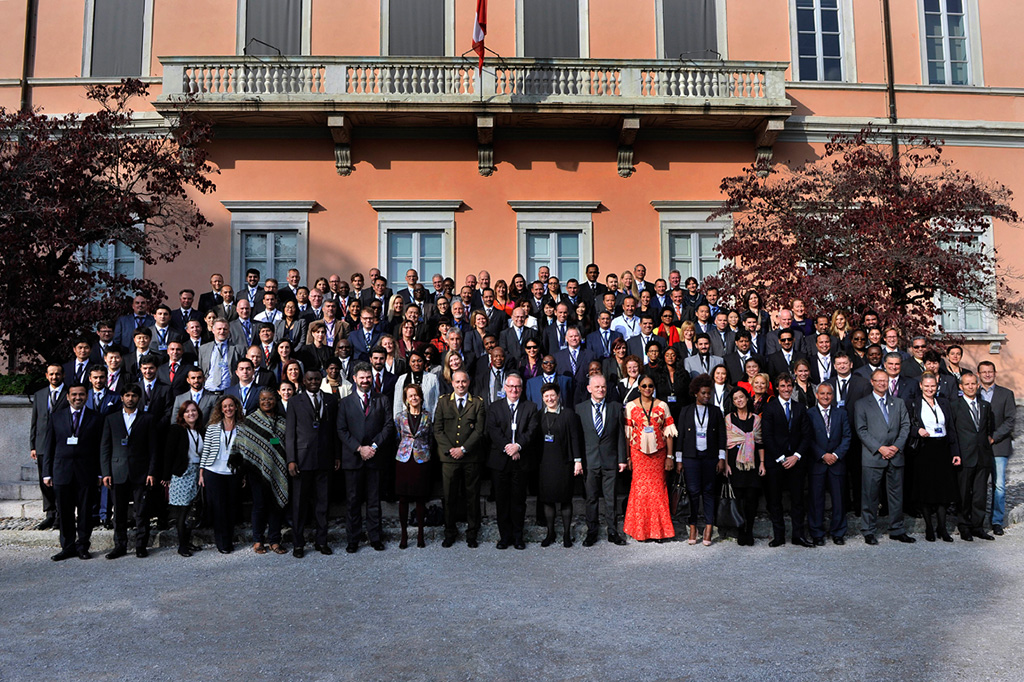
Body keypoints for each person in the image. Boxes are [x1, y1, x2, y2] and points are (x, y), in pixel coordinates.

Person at [337, 363, 396, 553]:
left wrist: (373, 447)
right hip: (353, 459)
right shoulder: (345, 402)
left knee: (374, 500)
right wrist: (359, 448)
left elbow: (388, 425)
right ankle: (353, 539)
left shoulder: (382, 399)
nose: (365, 381)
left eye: (368, 377)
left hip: (375, 457)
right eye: (361, 377)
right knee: (353, 501)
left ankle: (375, 537)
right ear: (354, 379)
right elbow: (341, 430)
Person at [43, 384, 103, 561]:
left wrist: (100, 473)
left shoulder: (96, 418)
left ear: (87, 396)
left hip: (86, 472)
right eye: (74, 394)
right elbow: (49, 446)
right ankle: (67, 546)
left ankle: (83, 546)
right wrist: (47, 472)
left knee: (85, 512)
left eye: (81, 394)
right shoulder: (56, 417)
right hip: (62, 471)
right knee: (64, 512)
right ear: (68, 396)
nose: (78, 398)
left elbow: (101, 447)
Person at [854, 369, 912, 545]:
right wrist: (880, 448)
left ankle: (897, 529)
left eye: (885, 381)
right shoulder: (862, 404)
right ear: (872, 382)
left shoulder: (898, 402)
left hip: (895, 455)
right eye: (878, 380)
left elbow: (906, 426)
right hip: (873, 456)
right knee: (870, 496)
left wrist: (895, 446)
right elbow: (861, 430)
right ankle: (869, 530)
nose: (882, 383)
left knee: (896, 496)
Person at [99, 384, 158, 559]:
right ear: (121, 397)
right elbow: (105, 448)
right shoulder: (111, 419)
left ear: (139, 398)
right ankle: (120, 545)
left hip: (140, 471)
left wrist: (151, 472)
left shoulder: (147, 418)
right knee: (119, 512)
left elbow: (153, 448)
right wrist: (106, 472)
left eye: (133, 395)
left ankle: (141, 545)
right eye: (127, 395)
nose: (130, 399)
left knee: (141, 511)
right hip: (118, 471)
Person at [286, 369, 340, 558]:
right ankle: (298, 544)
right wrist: (291, 459)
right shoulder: (295, 401)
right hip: (302, 459)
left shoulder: (330, 400)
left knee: (323, 503)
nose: (314, 382)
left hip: (325, 458)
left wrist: (337, 455)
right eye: (310, 379)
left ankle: (322, 541)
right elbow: (290, 433)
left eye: (317, 379)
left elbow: (334, 430)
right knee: (299, 504)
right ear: (304, 381)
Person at [230, 388, 289, 555]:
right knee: (259, 505)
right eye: (263, 399)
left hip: (277, 470)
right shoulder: (249, 421)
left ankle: (275, 540)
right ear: (259, 401)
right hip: (256, 471)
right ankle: (258, 540)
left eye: (270, 399)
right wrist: (242, 470)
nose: (266, 402)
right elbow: (241, 444)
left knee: (276, 504)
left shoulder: (283, 421)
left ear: (276, 400)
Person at [434, 370, 487, 547]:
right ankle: (450, 532)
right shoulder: (443, 402)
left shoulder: (477, 403)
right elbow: (438, 429)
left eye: (464, 381)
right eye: (457, 382)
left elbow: (479, 430)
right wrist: (451, 450)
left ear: (469, 382)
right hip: (449, 458)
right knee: (449, 497)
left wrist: (463, 449)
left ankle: (472, 533)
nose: (461, 385)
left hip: (471, 457)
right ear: (452, 383)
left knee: (472, 496)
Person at [486, 373, 538, 550]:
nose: (514, 390)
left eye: (517, 387)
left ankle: (518, 537)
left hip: (521, 460)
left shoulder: (530, 407)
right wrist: (508, 448)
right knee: (502, 501)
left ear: (521, 389)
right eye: (510, 386)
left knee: (518, 501)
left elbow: (532, 430)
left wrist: (518, 446)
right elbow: (493, 430)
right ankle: (504, 537)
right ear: (505, 388)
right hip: (500, 461)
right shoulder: (495, 407)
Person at [761, 373, 814, 548]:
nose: (786, 389)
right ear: (777, 387)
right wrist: (782, 458)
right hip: (776, 461)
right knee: (775, 501)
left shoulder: (800, 408)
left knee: (798, 500)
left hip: (796, 461)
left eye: (789, 385)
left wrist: (796, 456)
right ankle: (779, 536)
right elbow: (767, 436)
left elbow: (806, 435)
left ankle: (798, 535)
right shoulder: (769, 408)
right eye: (783, 386)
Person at [575, 374, 628, 546]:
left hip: (610, 461)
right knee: (591, 498)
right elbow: (578, 438)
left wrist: (622, 459)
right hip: (589, 462)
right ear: (589, 389)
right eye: (597, 387)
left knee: (610, 498)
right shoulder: (580, 409)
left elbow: (620, 435)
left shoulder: (615, 407)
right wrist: (578, 460)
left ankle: (612, 531)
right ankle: (592, 532)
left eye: (603, 386)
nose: (601, 389)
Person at [623, 375, 676, 543]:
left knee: (658, 491)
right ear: (639, 387)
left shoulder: (662, 405)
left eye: (650, 386)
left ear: (654, 388)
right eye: (644, 386)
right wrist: (628, 457)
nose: (647, 389)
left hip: (658, 454)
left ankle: (659, 532)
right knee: (640, 491)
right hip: (638, 454)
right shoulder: (630, 406)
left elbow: (669, 432)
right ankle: (641, 532)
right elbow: (627, 434)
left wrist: (670, 456)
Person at [908, 372, 958, 542]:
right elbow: (905, 425)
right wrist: (917, 430)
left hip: (942, 449)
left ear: (937, 386)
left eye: (933, 386)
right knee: (926, 490)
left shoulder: (943, 402)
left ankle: (942, 527)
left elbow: (951, 428)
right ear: (921, 386)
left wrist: (955, 452)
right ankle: (929, 527)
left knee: (943, 491)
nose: (930, 389)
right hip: (924, 449)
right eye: (927, 386)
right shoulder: (914, 403)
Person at [676, 374, 725, 546]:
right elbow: (681, 436)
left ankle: (709, 527)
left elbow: (721, 435)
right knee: (693, 491)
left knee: (709, 491)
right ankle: (693, 526)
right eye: (703, 393)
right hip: (691, 456)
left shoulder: (716, 411)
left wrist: (721, 458)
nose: (706, 396)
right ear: (696, 393)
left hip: (710, 456)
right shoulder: (686, 410)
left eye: (709, 393)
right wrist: (679, 459)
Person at [948, 372, 995, 541]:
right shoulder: (954, 406)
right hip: (964, 456)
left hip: (982, 456)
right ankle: (964, 526)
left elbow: (988, 428)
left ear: (978, 385)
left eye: (973, 383)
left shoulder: (985, 406)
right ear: (961, 387)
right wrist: (956, 453)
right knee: (963, 494)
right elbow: (952, 432)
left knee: (980, 494)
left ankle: (978, 526)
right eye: (967, 384)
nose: (970, 387)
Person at [537, 383, 583, 547]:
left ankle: (566, 534)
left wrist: (578, 460)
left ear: (558, 396)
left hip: (564, 462)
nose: (549, 399)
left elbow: (575, 438)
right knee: (547, 499)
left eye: (552, 395)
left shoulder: (568, 414)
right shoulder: (539, 415)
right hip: (545, 463)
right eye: (546, 396)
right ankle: (550, 533)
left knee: (565, 499)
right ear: (543, 398)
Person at [806, 383, 851, 545]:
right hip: (817, 463)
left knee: (839, 500)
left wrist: (836, 455)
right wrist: (822, 455)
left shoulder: (841, 413)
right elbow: (807, 438)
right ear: (816, 395)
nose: (825, 397)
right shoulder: (809, 414)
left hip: (837, 463)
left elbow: (847, 437)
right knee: (816, 499)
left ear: (833, 396)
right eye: (822, 393)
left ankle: (838, 532)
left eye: (829, 394)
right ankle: (817, 533)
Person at [199, 395, 243, 554]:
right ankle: (221, 542)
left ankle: (228, 539)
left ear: (236, 407)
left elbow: (245, 452)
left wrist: (243, 473)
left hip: (233, 472)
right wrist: (201, 472)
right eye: (225, 406)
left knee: (231, 507)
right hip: (213, 471)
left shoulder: (243, 427)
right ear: (221, 409)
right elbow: (206, 450)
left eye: (231, 405)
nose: (228, 409)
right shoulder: (213, 427)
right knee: (218, 508)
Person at [978, 361, 1015, 535]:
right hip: (978, 447)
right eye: (984, 372)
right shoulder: (973, 392)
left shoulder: (1006, 394)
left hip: (999, 446)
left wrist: (994, 437)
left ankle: (997, 521)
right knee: (978, 484)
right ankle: (976, 520)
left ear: (995, 373)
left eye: (990, 371)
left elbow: (1010, 420)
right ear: (978, 374)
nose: (987, 374)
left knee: (999, 485)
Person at [723, 387, 764, 545]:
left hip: (752, 463)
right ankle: (741, 531)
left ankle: (749, 531)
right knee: (738, 498)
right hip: (734, 464)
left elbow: (760, 443)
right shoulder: (728, 419)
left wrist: (762, 463)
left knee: (751, 498)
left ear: (747, 398)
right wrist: (726, 464)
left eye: (741, 397)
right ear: (733, 402)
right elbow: (726, 444)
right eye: (735, 399)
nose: (739, 400)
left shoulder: (756, 419)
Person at [163, 401, 204, 557]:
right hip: (182, 473)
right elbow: (168, 453)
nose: (191, 414)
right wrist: (166, 476)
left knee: (193, 509)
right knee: (183, 511)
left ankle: (187, 541)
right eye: (187, 411)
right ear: (182, 415)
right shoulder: (176, 430)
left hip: (197, 473)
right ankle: (182, 546)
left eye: (193, 411)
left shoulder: (201, 431)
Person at [395, 384, 433, 549]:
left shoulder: (428, 417)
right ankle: (403, 535)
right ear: (406, 399)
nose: (414, 398)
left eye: (416, 395)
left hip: (421, 460)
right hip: (404, 460)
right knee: (403, 498)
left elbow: (430, 437)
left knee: (420, 498)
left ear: (421, 397)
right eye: (410, 396)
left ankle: (420, 534)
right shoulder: (400, 417)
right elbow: (398, 436)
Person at [30, 363, 67, 530]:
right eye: (51, 374)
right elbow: (35, 421)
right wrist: (32, 445)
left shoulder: (69, 393)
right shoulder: (39, 395)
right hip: (42, 444)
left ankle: (60, 514)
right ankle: (49, 513)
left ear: (63, 375)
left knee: (59, 480)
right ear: (46, 375)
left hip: (61, 444)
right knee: (44, 480)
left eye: (57, 374)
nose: (54, 377)